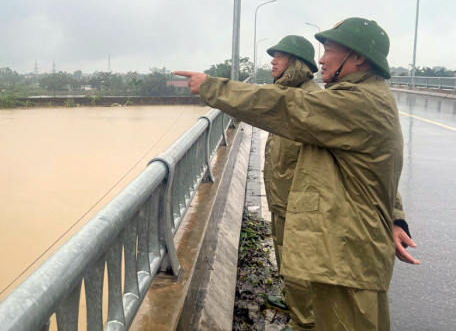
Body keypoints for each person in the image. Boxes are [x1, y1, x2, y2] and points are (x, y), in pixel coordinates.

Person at [174, 17, 419, 331]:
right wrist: (395, 217)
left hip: (348, 255)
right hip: (341, 250)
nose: (321, 58)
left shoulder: (357, 102)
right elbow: (371, 169)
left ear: (357, 57)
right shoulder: (354, 99)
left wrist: (212, 87)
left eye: (329, 50)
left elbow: (285, 107)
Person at [261, 36, 319, 331]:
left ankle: (304, 322)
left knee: (300, 266)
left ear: (296, 64)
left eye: (280, 57)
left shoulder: (309, 99)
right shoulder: (287, 95)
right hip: (281, 196)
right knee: (284, 255)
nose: (273, 61)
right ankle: (293, 302)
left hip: (299, 203)